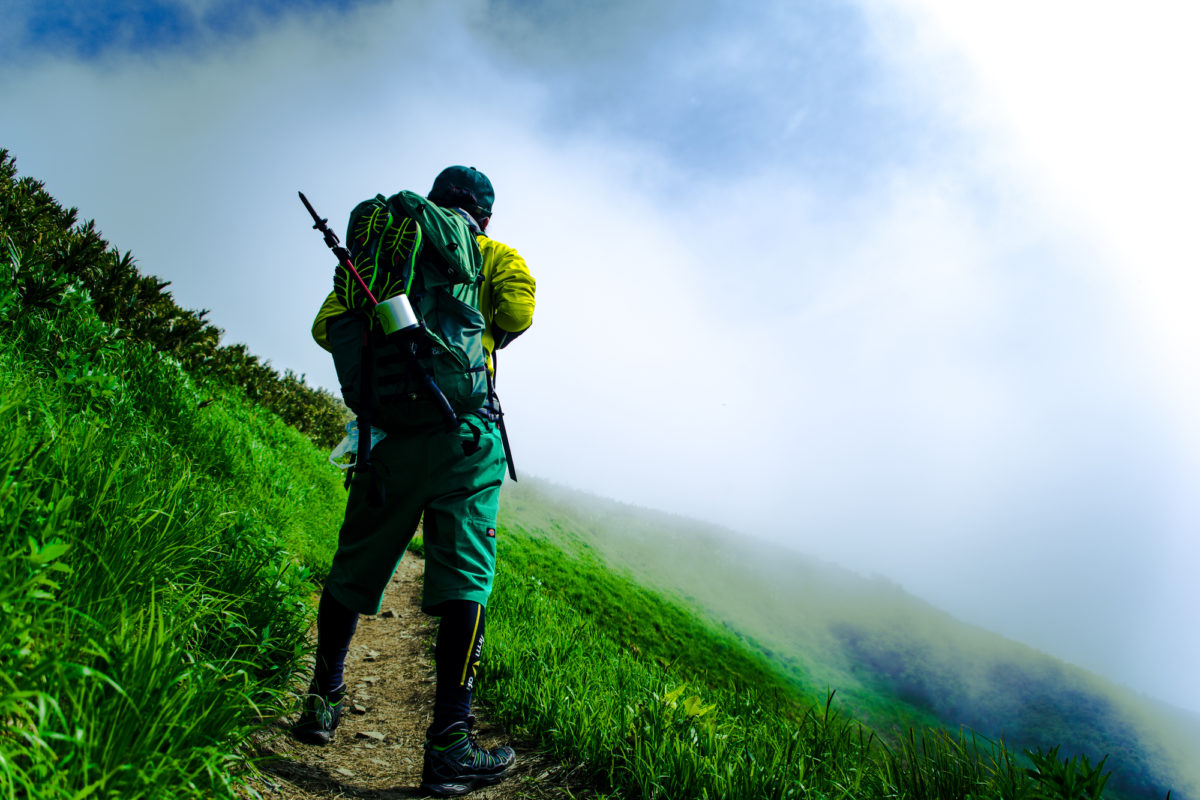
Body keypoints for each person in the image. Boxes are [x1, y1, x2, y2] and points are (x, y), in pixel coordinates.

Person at [294, 166, 536, 797]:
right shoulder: (493, 254)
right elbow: (518, 311)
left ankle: (323, 699)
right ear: (482, 216)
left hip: (390, 436)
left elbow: (328, 327)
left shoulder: (383, 254)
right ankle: (450, 743)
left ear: (432, 203)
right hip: (464, 437)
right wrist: (479, 334)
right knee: (465, 579)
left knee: (354, 566)